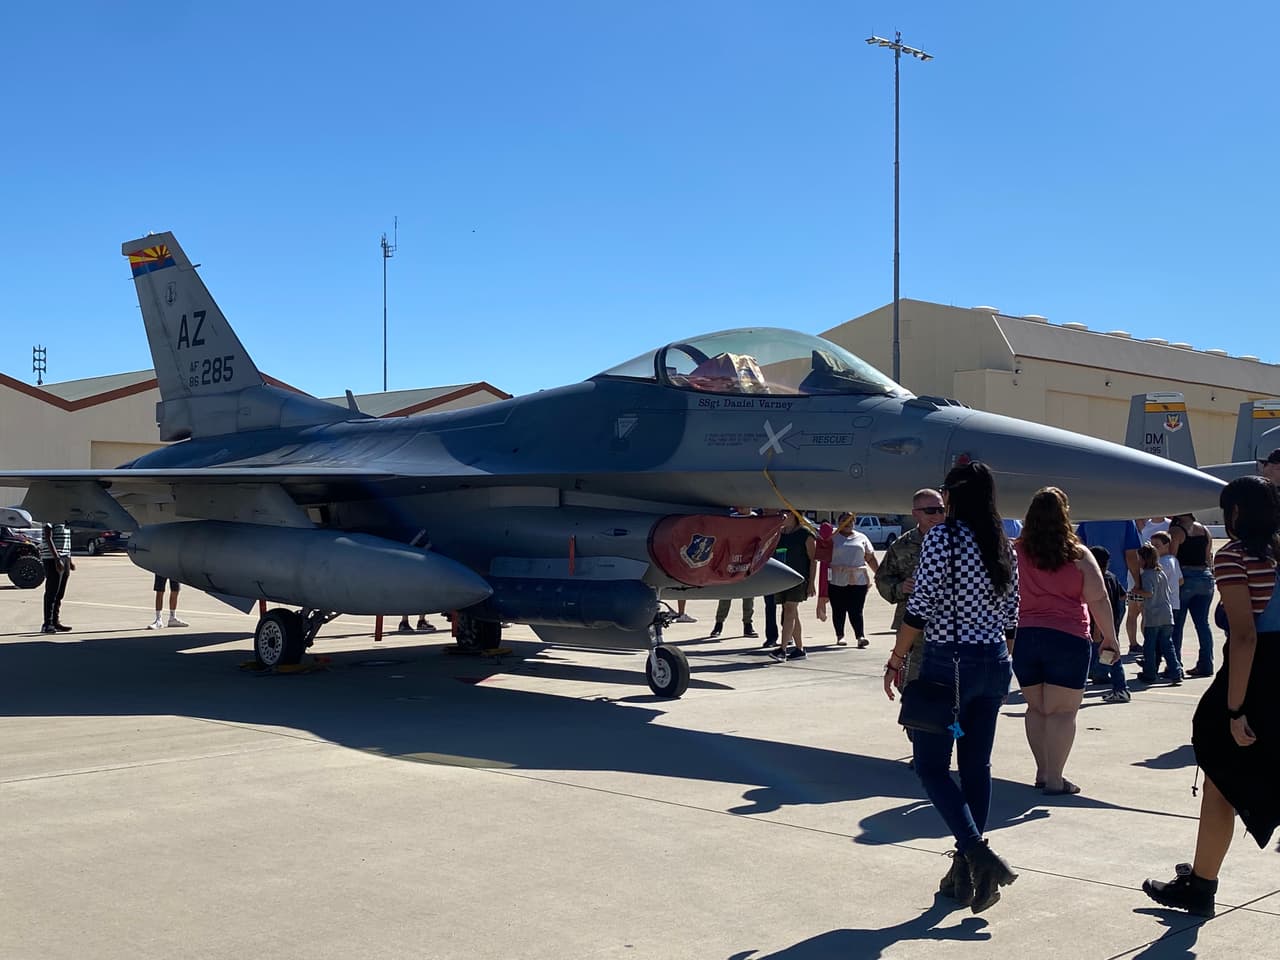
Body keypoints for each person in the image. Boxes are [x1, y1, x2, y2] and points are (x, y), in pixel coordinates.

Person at [881, 461, 1020, 914]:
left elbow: (919, 606)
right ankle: (970, 872)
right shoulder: (1001, 544)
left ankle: (977, 855)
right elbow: (1012, 611)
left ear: (954, 498)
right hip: (993, 660)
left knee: (931, 767)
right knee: (976, 766)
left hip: (947, 661)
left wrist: (898, 657)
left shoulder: (943, 538)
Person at [1144, 476, 1280, 917]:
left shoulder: (1236, 557)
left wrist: (1236, 708)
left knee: (1221, 775)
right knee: (1225, 780)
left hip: (1256, 678)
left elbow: (1244, 637)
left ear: (1235, 513)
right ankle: (1200, 881)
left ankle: (1202, 887)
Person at [1012, 488, 1122, 795]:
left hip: (1025, 636)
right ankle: (1057, 779)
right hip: (1067, 637)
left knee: (1036, 709)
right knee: (1062, 713)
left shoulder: (1016, 551)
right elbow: (1098, 598)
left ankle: (1042, 771)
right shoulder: (1078, 554)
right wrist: (1110, 637)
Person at [876, 488, 946, 686]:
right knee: (912, 685)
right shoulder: (902, 545)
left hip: (949, 626)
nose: (938, 515)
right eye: (930, 511)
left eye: (941, 510)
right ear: (915, 513)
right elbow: (882, 579)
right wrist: (900, 588)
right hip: (913, 630)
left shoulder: (956, 542)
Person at [1077, 520, 1143, 653]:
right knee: (1112, 633)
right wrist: (1138, 581)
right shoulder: (1126, 521)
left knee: (1091, 630)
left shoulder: (1088, 519)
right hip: (1116, 583)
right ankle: (1110, 666)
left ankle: (1097, 666)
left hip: (1090, 581)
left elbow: (1079, 546)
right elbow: (1131, 555)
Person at [1169, 512, 1217, 677]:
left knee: (1177, 623)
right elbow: (1208, 556)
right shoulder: (1204, 530)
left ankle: (1174, 665)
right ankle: (1206, 664)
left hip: (1185, 576)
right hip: (1205, 576)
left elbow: (1172, 558)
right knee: (1203, 624)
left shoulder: (1177, 530)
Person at [827, 512, 879, 647]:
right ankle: (840, 636)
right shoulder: (832, 537)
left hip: (858, 579)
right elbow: (822, 557)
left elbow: (870, 558)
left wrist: (879, 574)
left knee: (856, 609)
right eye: (845, 520)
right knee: (838, 609)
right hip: (837, 579)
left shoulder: (861, 537)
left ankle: (860, 636)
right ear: (838, 522)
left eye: (851, 521)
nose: (848, 523)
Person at [769, 511, 816, 661]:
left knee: (789, 610)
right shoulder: (779, 534)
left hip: (798, 579)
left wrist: (812, 583)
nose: (783, 516)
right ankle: (799, 649)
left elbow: (813, 560)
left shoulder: (805, 534)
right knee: (792, 612)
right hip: (782, 579)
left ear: (795, 515)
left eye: (786, 513)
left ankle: (782, 649)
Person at [710, 507, 760, 639]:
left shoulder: (756, 519)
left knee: (749, 595)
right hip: (732, 559)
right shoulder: (733, 518)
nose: (742, 508)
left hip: (748, 560)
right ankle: (719, 623)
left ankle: (748, 625)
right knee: (726, 594)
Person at [1090, 545, 1131, 704]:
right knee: (1106, 654)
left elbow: (1098, 603)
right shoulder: (1111, 576)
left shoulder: (1097, 580)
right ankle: (1100, 675)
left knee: (1111, 656)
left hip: (1100, 625)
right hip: (1110, 622)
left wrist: (1097, 629)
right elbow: (1122, 596)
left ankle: (1121, 688)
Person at [1133, 543, 1179, 684]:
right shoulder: (1161, 572)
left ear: (1145, 560)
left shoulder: (1147, 575)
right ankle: (1175, 671)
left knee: (1150, 646)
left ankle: (1149, 673)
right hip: (1167, 614)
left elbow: (1148, 592)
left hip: (1154, 615)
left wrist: (1136, 591)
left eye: (1139, 559)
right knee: (1167, 645)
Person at [40, 521, 74, 634]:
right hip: (52, 558)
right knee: (52, 592)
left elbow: (67, 541)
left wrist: (69, 559)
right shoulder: (50, 517)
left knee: (60, 593)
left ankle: (55, 622)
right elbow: (48, 537)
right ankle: (47, 623)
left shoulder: (65, 520)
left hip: (65, 557)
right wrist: (56, 558)